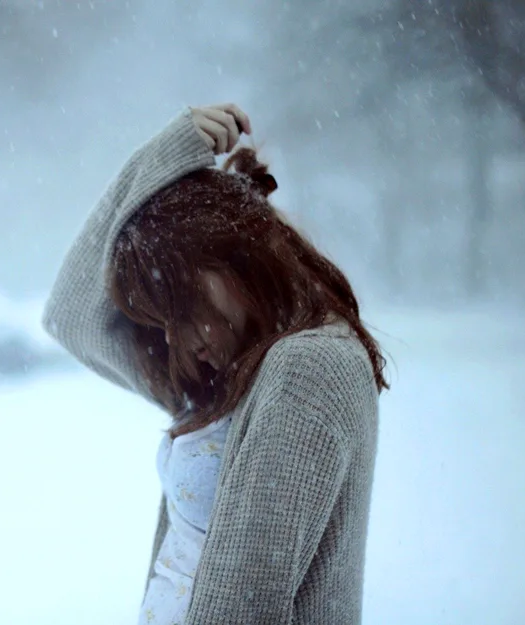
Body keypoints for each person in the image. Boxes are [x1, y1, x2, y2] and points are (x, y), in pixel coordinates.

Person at [42, 103, 388, 625]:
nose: (177, 342)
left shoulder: (308, 368)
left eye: (181, 309)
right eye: (162, 323)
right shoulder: (225, 374)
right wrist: (159, 161)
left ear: (232, 257)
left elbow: (244, 608)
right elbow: (72, 316)